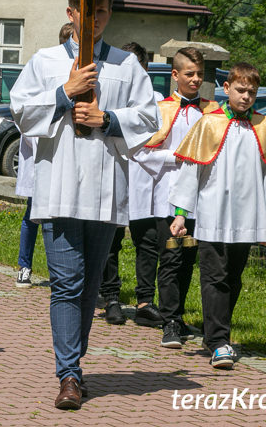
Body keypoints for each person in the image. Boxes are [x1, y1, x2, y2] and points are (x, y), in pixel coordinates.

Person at [9, 0, 158, 410]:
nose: (96, 20)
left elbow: (148, 116)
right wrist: (64, 94)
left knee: (90, 286)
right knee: (66, 283)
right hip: (59, 185)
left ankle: (75, 362)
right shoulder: (46, 61)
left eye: (104, 12)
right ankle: (69, 375)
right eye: (88, 12)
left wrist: (107, 118)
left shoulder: (127, 65)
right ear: (71, 13)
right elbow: (20, 110)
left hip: (104, 188)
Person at [170, 62, 266, 370]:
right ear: (227, 89)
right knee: (214, 276)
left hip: (248, 217)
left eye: (252, 92)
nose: (246, 97)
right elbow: (191, 170)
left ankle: (218, 332)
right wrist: (182, 214)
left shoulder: (264, 127)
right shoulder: (208, 124)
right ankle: (218, 341)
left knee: (233, 278)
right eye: (240, 90)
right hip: (213, 213)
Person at [129, 47, 219, 346]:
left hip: (199, 197)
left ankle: (179, 315)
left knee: (189, 258)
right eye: (190, 74)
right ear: (175, 75)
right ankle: (169, 321)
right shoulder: (162, 109)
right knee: (170, 256)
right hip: (167, 196)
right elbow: (142, 151)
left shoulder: (212, 111)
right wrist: (175, 157)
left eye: (200, 75)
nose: (195, 80)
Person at [99, 42, 166, 327]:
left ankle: (144, 301)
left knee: (147, 241)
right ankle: (112, 297)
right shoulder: (110, 93)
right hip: (118, 174)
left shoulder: (157, 98)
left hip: (147, 181)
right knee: (111, 241)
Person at [16, 24, 72, 288]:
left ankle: (60, 272)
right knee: (32, 215)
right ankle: (24, 266)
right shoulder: (45, 69)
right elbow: (27, 116)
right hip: (42, 155)